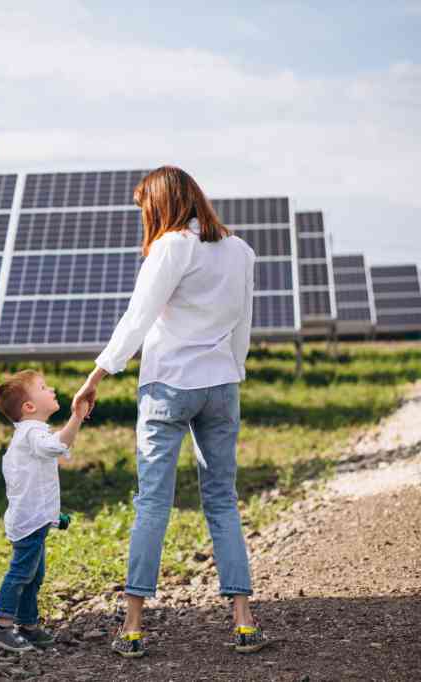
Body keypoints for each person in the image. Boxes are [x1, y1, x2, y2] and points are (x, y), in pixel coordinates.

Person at [71, 166, 268, 658]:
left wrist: (96, 376)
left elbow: (138, 317)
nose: (144, 216)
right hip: (222, 385)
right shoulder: (240, 251)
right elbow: (243, 322)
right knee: (222, 500)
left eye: (145, 207)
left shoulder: (171, 245)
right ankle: (244, 620)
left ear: (160, 204)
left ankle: (133, 626)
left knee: (153, 503)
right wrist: (232, 370)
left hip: (168, 386)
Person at [0, 369, 90, 652]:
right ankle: (2, 626)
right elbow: (56, 447)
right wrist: (77, 417)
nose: (52, 389)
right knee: (21, 574)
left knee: (34, 576)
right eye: (44, 387)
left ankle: (28, 625)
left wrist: (55, 519)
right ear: (29, 407)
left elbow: (38, 483)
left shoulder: (32, 433)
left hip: (36, 521)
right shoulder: (32, 433)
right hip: (29, 523)